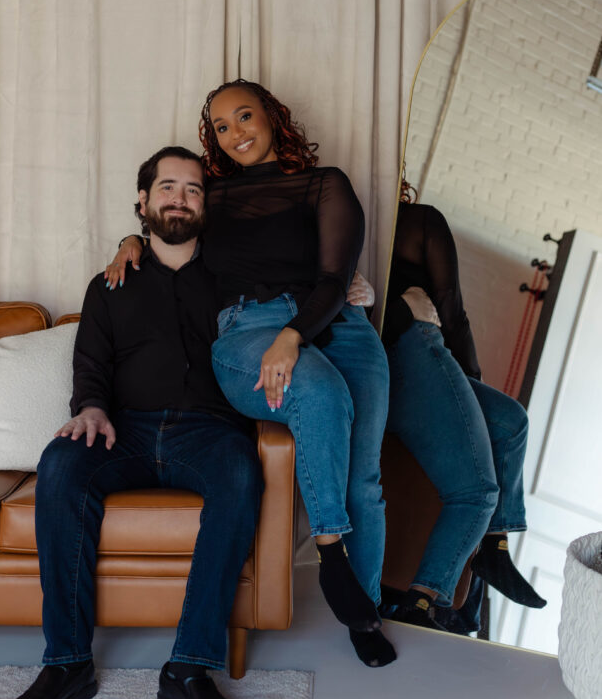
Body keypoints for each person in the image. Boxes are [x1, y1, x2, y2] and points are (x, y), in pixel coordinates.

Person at [108, 80, 395, 668]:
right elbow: (170, 223)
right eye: (221, 126)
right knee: (316, 390)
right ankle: (331, 551)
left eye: (245, 116)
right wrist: (128, 239)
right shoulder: (211, 197)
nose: (236, 132)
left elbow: (336, 279)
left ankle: (361, 616)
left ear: (273, 118)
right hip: (250, 331)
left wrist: (297, 334)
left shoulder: (325, 184)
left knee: (365, 477)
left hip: (338, 328)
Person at [0, 147, 263, 699]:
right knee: (61, 464)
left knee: (242, 474)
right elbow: (90, 364)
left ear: (204, 205)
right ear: (142, 203)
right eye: (166, 187)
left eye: (192, 189)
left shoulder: (238, 281)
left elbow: (297, 274)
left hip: (209, 432)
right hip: (126, 429)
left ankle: (189, 671)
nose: (179, 197)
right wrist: (90, 409)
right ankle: (67, 665)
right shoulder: (110, 283)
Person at [380, 182, 546, 630]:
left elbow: (451, 313)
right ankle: (426, 602)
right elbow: (451, 311)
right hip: (408, 349)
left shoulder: (416, 222)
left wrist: (465, 388)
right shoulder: (357, 216)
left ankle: (494, 547)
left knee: (510, 423)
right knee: (477, 492)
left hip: (417, 355)